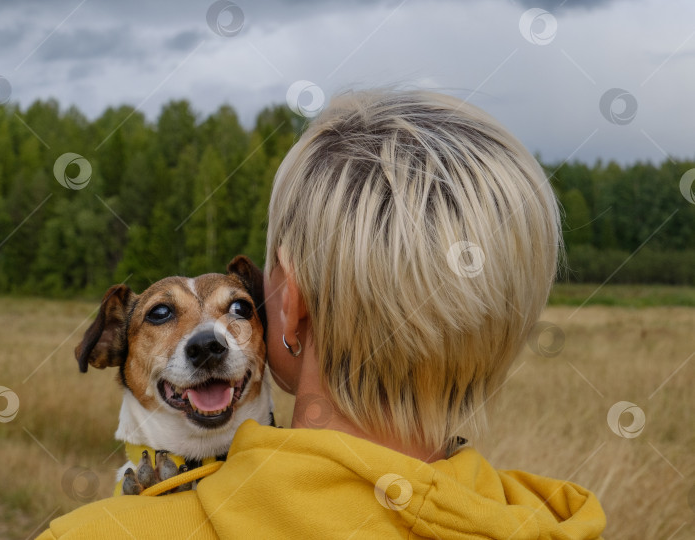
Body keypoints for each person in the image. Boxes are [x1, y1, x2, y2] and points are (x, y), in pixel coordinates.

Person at [37, 89, 606, 539]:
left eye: (240, 306)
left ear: (290, 307)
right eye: (165, 316)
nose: (208, 336)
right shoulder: (559, 519)